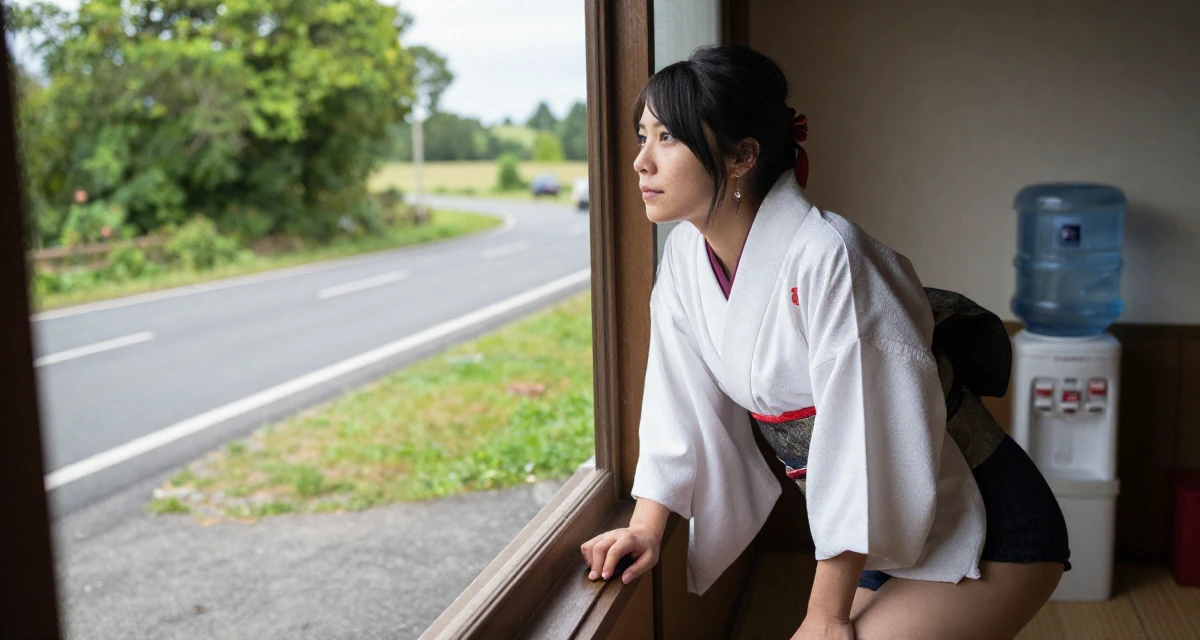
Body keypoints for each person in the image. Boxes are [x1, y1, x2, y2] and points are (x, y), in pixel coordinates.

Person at [579, 45, 1071, 639]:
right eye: (642, 135)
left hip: (983, 518)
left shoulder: (830, 255)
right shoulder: (685, 255)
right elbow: (676, 400)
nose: (640, 162)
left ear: (742, 157)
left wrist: (825, 615)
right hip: (872, 535)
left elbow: (863, 441)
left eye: (668, 138)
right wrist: (647, 526)